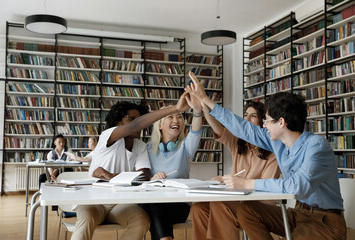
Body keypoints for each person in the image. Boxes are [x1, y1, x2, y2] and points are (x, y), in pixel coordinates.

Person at [185, 76, 347, 240]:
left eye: (268, 121)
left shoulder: (317, 146)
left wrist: (247, 183)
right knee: (247, 209)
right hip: (298, 214)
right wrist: (205, 99)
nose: (264, 125)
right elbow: (243, 128)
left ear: (281, 122)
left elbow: (298, 186)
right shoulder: (279, 143)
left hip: (324, 221)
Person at [71, 93, 190, 240]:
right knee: (86, 221)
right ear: (119, 124)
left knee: (141, 220)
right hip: (94, 201)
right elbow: (135, 127)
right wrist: (175, 108)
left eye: (140, 120)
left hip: (120, 204)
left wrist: (111, 177)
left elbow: (143, 177)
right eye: (132, 119)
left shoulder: (139, 146)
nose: (139, 124)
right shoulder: (107, 136)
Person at [191, 101, 280, 240]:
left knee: (220, 205)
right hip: (234, 200)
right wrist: (203, 106)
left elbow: (267, 190)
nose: (247, 120)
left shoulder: (273, 153)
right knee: (198, 208)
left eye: (253, 116)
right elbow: (217, 127)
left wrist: (239, 182)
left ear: (263, 122)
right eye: (245, 115)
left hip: (257, 204)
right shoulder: (237, 142)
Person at [140, 74, 202, 240]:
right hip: (152, 201)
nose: (176, 120)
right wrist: (152, 179)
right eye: (171, 116)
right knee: (155, 206)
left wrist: (197, 111)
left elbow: (195, 131)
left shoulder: (185, 148)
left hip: (178, 205)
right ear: (159, 124)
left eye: (179, 116)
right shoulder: (145, 149)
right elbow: (138, 180)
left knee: (157, 209)